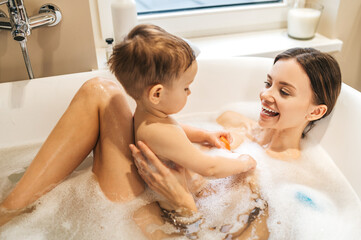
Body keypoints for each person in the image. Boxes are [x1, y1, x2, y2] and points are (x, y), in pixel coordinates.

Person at [129, 47, 342, 239]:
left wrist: (184, 205)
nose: (265, 94)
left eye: (284, 92)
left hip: (168, 219)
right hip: (139, 198)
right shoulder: (233, 122)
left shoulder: (284, 182)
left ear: (315, 111)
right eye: (268, 83)